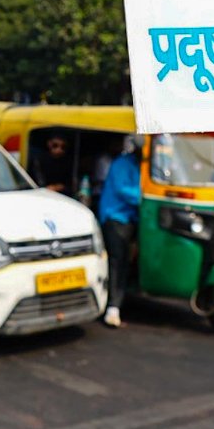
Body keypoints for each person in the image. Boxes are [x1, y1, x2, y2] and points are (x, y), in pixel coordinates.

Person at [97, 135, 142, 328]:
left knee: (127, 261)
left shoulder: (144, 166)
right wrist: (149, 195)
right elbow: (125, 191)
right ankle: (112, 307)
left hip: (131, 219)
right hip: (115, 218)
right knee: (118, 261)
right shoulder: (122, 164)